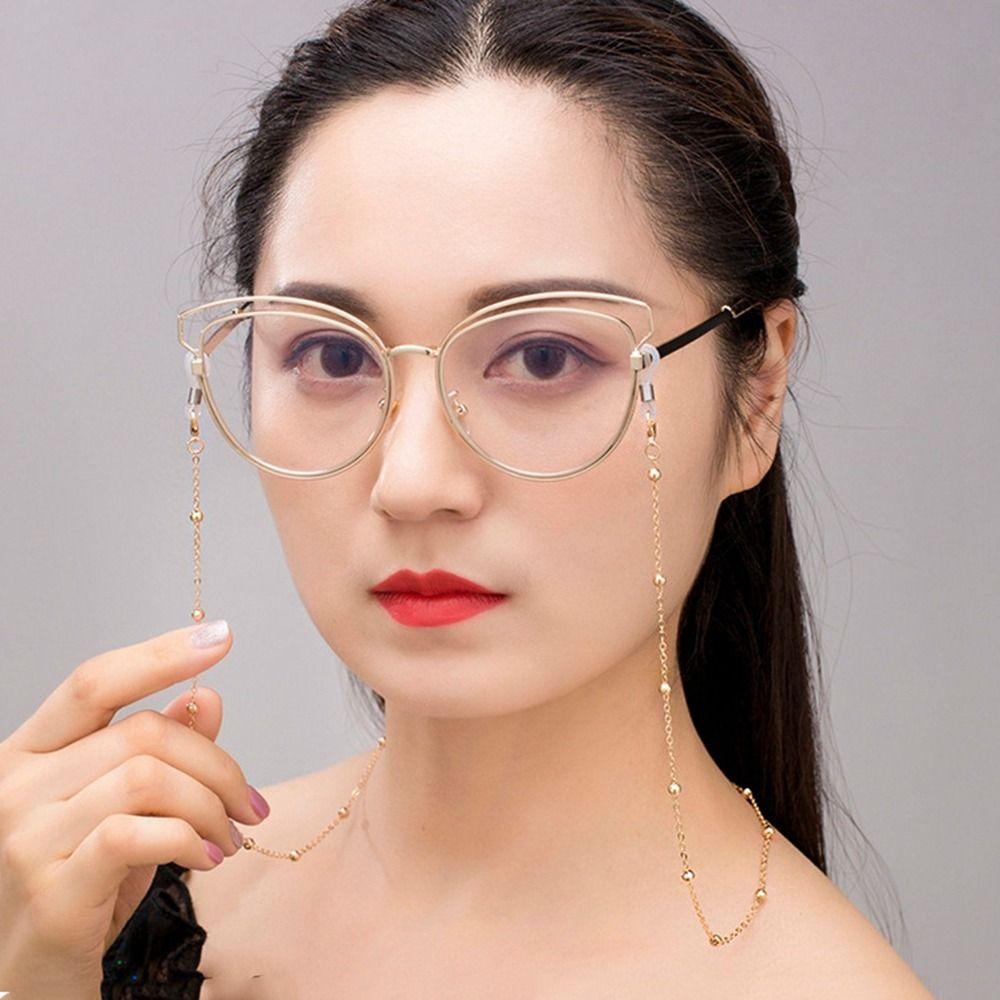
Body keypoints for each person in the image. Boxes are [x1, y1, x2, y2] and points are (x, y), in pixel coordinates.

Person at [0, 1, 935, 997]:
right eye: (333, 355)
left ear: (757, 394)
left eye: (543, 357)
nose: (413, 482)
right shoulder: (117, 912)